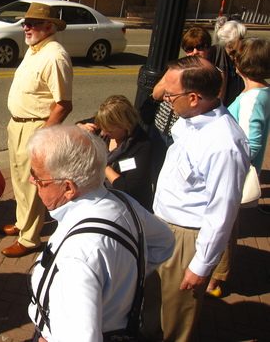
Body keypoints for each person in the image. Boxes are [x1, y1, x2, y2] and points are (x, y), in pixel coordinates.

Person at [27, 125, 175, 342]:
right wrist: (124, 277)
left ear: (68, 188)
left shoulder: (77, 256)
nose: (31, 181)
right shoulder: (123, 202)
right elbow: (165, 242)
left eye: (38, 177)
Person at [140, 56, 250, 342]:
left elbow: (222, 213)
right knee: (153, 304)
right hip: (162, 224)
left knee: (175, 316)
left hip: (186, 238)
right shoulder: (189, 119)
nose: (165, 99)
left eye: (170, 94)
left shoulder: (225, 144)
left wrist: (201, 265)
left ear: (193, 98)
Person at [1, 2, 73, 258]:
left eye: (32, 23)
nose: (26, 27)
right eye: (25, 23)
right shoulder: (35, 50)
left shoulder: (55, 56)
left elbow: (64, 104)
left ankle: (29, 239)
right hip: (17, 125)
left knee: (32, 184)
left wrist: (42, 136)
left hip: (35, 127)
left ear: (49, 27)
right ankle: (23, 223)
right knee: (19, 180)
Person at [206, 37, 270, 295]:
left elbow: (251, 143)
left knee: (222, 224)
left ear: (243, 65)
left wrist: (230, 165)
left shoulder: (252, 98)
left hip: (234, 173)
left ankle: (215, 280)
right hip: (236, 170)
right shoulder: (261, 92)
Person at [145, 27, 214, 185]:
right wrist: (174, 78)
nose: (194, 52)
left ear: (208, 48)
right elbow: (156, 94)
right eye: (189, 48)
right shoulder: (176, 69)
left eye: (200, 47)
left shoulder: (211, 75)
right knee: (156, 171)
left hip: (184, 133)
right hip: (161, 128)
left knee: (177, 176)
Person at [78, 95, 154, 211]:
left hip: (126, 206)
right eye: (102, 127)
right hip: (98, 197)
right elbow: (77, 126)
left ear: (124, 126)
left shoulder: (142, 145)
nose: (103, 133)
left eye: (108, 130)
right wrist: (81, 127)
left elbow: (128, 189)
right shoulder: (105, 122)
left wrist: (102, 164)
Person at [209, 17, 247, 105]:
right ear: (228, 42)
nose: (243, 41)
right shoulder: (214, 55)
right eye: (240, 38)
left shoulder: (243, 53)